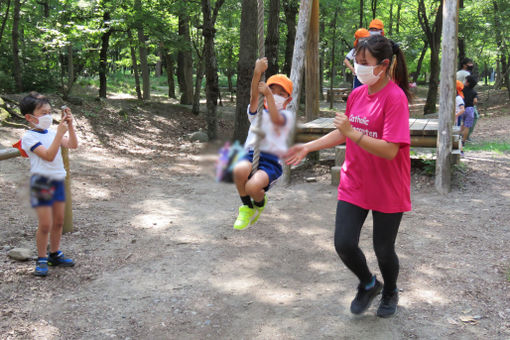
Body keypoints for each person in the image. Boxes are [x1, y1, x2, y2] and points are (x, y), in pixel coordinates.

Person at [285, 35, 411, 318]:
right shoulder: (356, 95)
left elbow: (391, 150)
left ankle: (390, 289)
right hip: (355, 181)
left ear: (384, 65)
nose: (358, 67)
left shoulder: (395, 98)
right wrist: (307, 146)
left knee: (383, 248)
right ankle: (369, 284)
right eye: (357, 61)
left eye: (365, 63)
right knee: (343, 242)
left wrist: (355, 133)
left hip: (387, 186)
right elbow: (343, 131)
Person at [20, 92, 79, 276]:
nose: (47, 116)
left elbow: (73, 145)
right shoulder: (28, 137)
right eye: (42, 113)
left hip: (58, 181)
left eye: (49, 112)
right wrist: (59, 134)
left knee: (59, 222)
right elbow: (48, 155)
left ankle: (54, 254)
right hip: (41, 183)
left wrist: (69, 127)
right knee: (45, 224)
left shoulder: (53, 133)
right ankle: (42, 257)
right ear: (29, 117)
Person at [232, 57, 294, 230]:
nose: (275, 95)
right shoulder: (258, 112)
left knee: (253, 188)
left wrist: (268, 96)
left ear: (288, 100)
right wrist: (257, 72)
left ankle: (259, 202)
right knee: (239, 170)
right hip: (251, 152)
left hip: (271, 160)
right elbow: (254, 95)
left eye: (281, 94)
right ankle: (246, 207)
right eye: (272, 91)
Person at [462, 75, 478, 142]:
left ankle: (457, 139)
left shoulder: (462, 90)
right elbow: (475, 101)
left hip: (461, 109)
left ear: (468, 83)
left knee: (461, 124)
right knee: (467, 126)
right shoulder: (474, 92)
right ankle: (464, 141)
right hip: (470, 109)